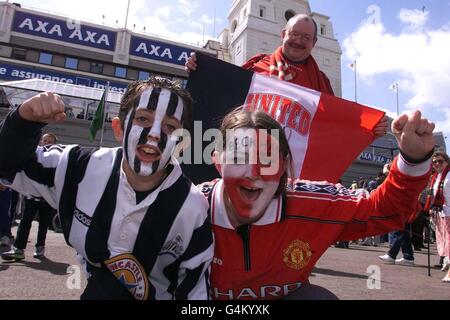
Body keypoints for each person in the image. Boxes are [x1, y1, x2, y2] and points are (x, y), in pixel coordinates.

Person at [0, 77, 213, 300]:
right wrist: (23, 120)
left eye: (170, 126)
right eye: (143, 118)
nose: (155, 134)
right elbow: (7, 166)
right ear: (119, 129)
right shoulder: (77, 167)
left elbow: (196, 292)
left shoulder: (193, 207)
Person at [198, 107, 434, 300]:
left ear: (284, 164)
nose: (252, 172)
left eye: (267, 160)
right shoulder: (191, 208)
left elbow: (383, 211)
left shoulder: (312, 202)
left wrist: (413, 161)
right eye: (240, 158)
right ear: (218, 162)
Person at [186, 14, 388, 138]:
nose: (299, 41)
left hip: (294, 165)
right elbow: (224, 94)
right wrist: (199, 70)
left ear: (314, 43)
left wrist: (371, 127)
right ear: (283, 34)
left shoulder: (321, 82)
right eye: (294, 34)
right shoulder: (257, 64)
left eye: (306, 37)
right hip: (249, 151)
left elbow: (337, 121)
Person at [1, 133, 58, 259]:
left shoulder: (55, 159)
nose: (46, 142)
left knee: (43, 224)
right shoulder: (33, 154)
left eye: (49, 141)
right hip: (31, 196)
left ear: (54, 144)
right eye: (45, 140)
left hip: (46, 198)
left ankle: (40, 247)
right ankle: (18, 249)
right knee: (25, 221)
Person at [424, 151, 450, 281]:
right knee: (444, 242)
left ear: (447, 161)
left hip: (449, 212)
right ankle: (446, 260)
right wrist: (431, 208)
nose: (437, 164)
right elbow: (433, 196)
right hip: (440, 213)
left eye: (440, 161)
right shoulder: (436, 177)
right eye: (434, 162)